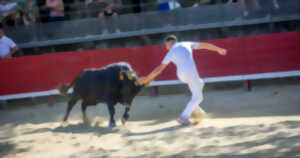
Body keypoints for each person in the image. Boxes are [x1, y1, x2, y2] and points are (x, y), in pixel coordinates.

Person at [139, 35, 227, 125]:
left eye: (166, 46)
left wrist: (147, 78)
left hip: (181, 75)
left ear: (170, 43)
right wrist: (218, 49)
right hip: (191, 71)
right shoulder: (186, 44)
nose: (166, 48)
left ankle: (197, 110)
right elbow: (204, 45)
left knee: (200, 83)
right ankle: (183, 117)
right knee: (198, 97)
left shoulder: (170, 52)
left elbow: (159, 69)